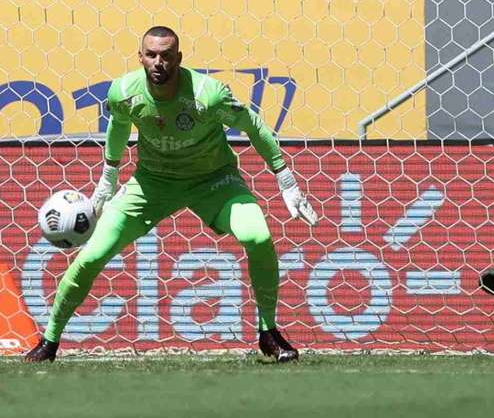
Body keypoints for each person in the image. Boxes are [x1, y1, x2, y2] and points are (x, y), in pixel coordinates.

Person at [25, 26, 317, 363]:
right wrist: (108, 177)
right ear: (141, 57)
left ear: (179, 58)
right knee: (91, 256)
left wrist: (286, 179)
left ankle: (268, 332)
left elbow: (253, 126)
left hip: (213, 181)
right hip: (152, 183)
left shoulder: (209, 94)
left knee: (258, 236)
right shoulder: (123, 92)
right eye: (151, 55)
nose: (158, 62)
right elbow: (119, 126)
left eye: (166, 55)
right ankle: (49, 343)